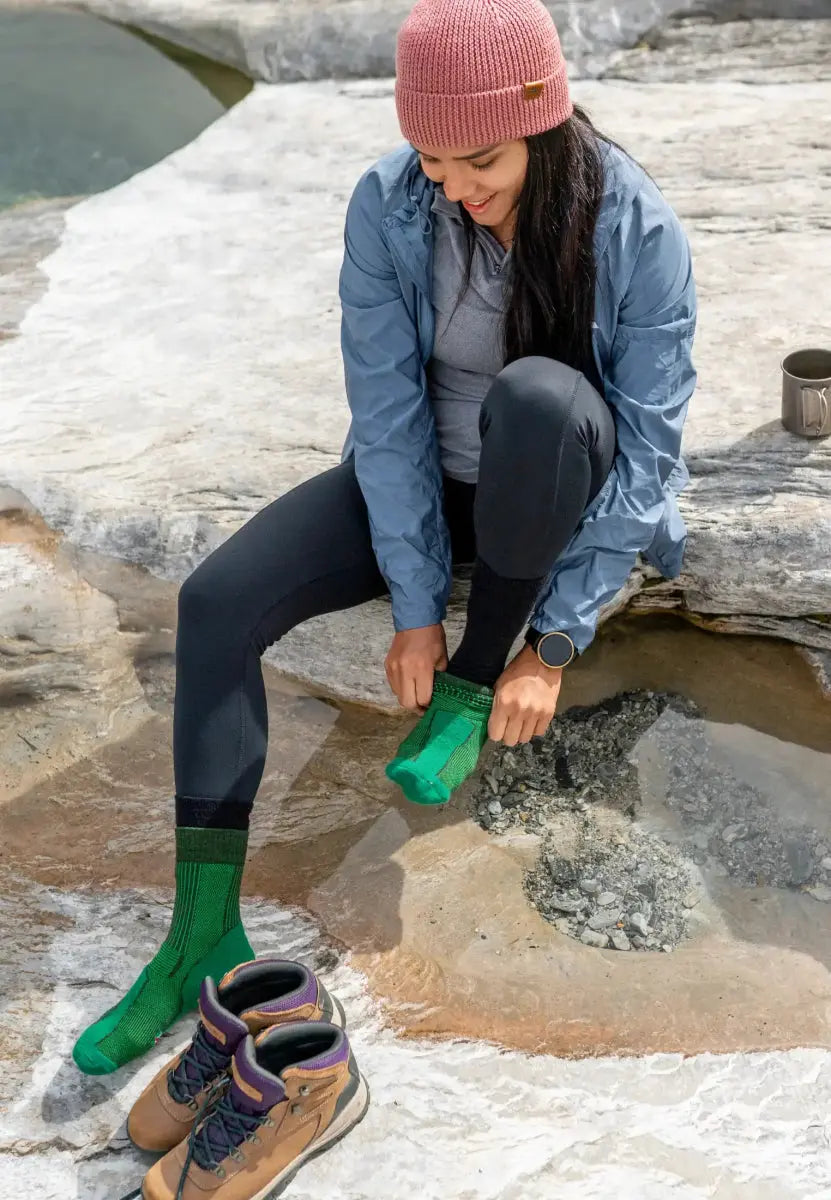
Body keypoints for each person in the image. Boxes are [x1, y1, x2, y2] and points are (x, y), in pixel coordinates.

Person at [73, 0, 696, 1075]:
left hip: (556, 480)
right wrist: (411, 601)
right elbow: (390, 414)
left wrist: (552, 644)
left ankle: (470, 685)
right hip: (425, 484)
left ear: (544, 124)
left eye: (481, 159)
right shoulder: (392, 205)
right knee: (216, 602)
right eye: (432, 158)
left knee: (542, 401)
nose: (454, 185)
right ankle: (197, 937)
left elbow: (646, 452)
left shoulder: (636, 228)